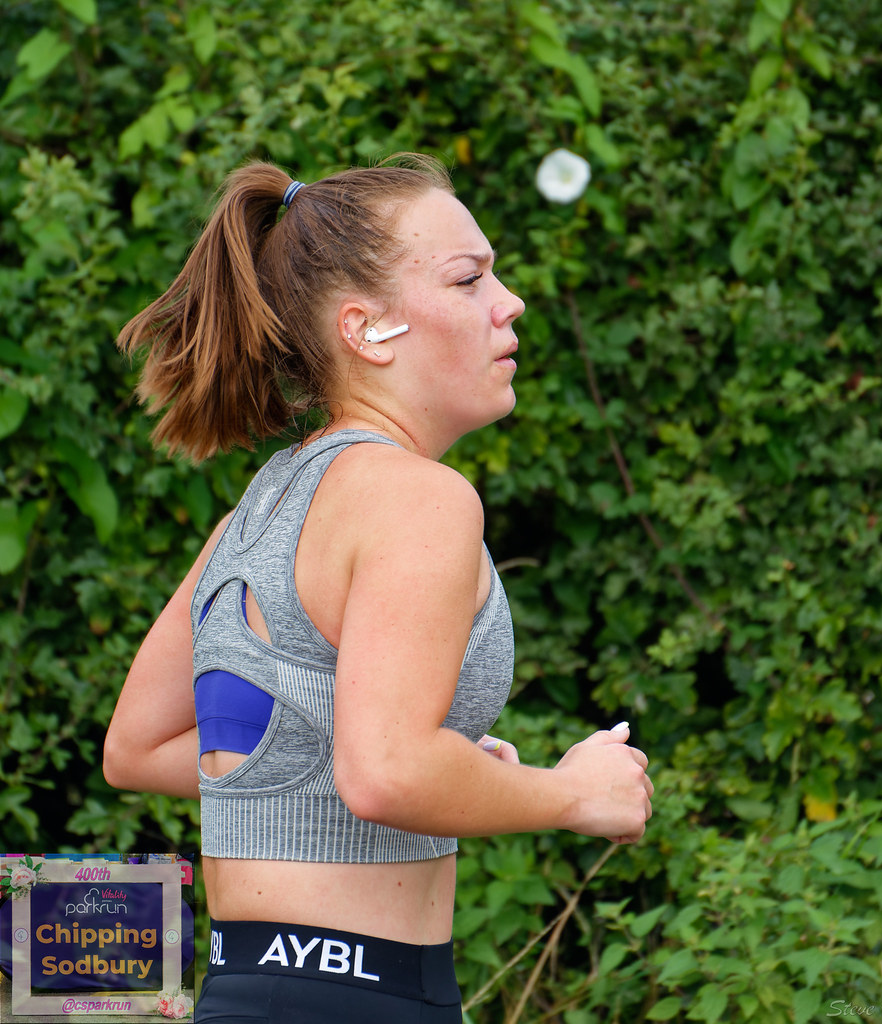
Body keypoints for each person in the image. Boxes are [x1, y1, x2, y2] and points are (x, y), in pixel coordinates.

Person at [103, 154, 654, 1024]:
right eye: (470, 279)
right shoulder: (422, 500)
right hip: (362, 999)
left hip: (243, 990)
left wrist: (438, 767)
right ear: (366, 330)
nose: (508, 302)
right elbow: (386, 772)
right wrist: (572, 791)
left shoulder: (260, 508)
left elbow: (137, 748)